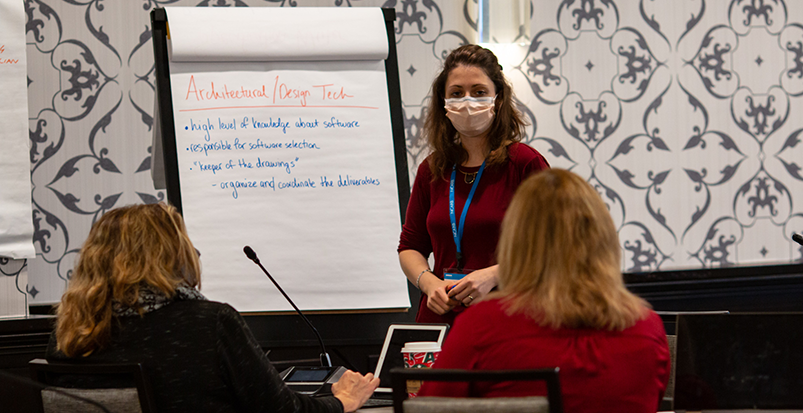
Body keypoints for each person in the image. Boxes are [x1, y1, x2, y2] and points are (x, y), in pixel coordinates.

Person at [47, 203, 379, 413]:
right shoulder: (210, 323)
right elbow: (281, 410)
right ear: (174, 254)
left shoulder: (71, 331)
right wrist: (341, 401)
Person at [419, 169, 671, 413]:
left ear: (515, 241)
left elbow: (426, 409)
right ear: (604, 238)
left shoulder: (482, 325)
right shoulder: (647, 328)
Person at [398, 44, 549, 324]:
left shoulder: (525, 163)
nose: (467, 101)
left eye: (479, 92)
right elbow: (410, 246)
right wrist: (429, 283)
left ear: (498, 99)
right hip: (440, 318)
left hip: (508, 317)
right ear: (443, 103)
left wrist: (493, 275)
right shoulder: (432, 169)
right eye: (456, 93)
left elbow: (555, 246)